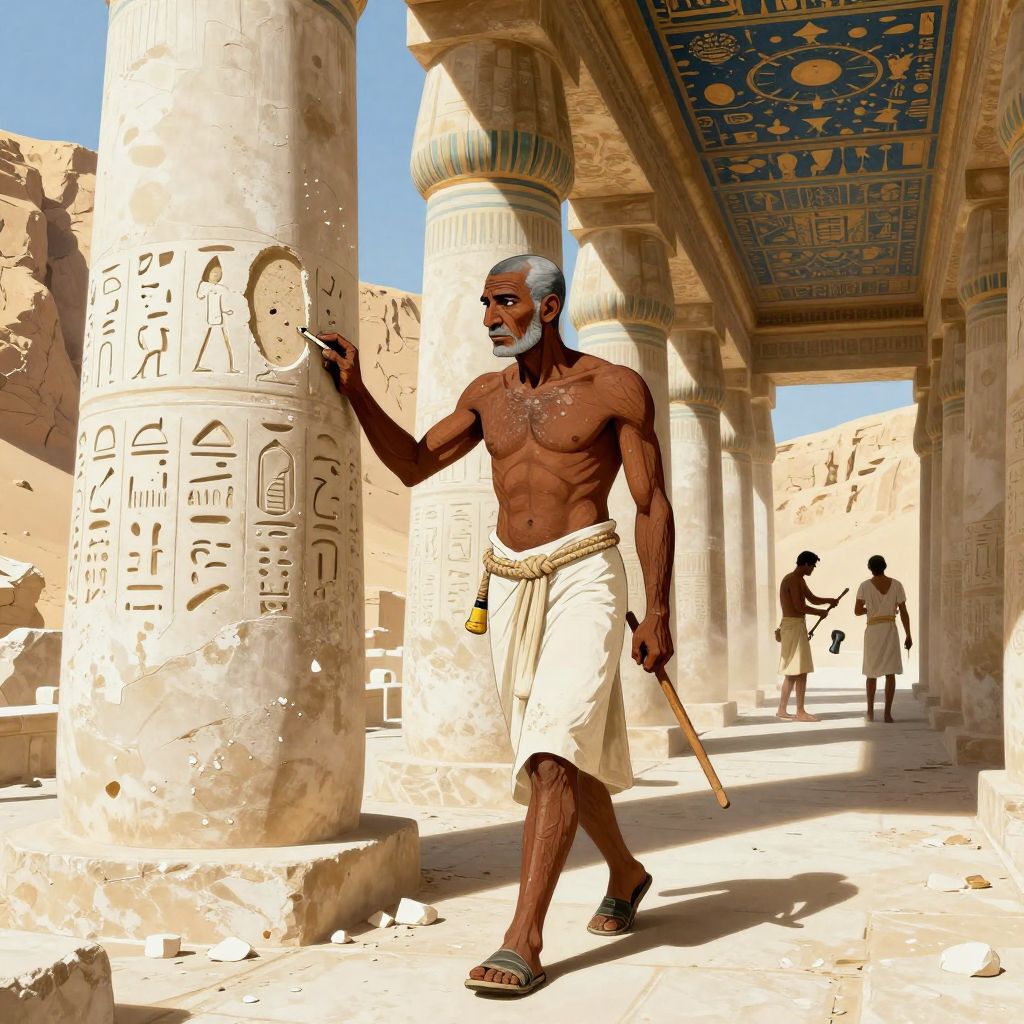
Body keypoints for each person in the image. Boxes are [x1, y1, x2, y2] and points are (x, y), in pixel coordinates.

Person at [316, 254, 673, 998]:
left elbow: (649, 503)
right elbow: (414, 464)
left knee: (549, 755)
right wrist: (357, 393)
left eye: (503, 303)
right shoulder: (485, 397)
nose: (488, 319)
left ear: (547, 308)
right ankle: (627, 872)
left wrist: (660, 607)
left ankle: (524, 938)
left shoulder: (613, 388)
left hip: (585, 570)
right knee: (560, 750)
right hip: (508, 579)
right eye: (483, 305)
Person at [776, 551, 839, 722]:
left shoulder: (798, 580)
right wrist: (819, 612)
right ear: (805, 564)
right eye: (812, 566)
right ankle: (800, 711)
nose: (813, 569)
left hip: (794, 627)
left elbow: (811, 598)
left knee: (793, 672)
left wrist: (829, 601)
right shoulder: (792, 580)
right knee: (800, 671)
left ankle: (782, 709)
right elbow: (798, 607)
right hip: (793, 626)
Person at [854, 554, 912, 723]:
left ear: (870, 568)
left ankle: (870, 712)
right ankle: (887, 714)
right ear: (885, 566)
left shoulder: (864, 586)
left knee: (871, 673)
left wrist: (871, 609)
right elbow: (904, 612)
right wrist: (908, 634)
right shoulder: (897, 585)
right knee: (890, 672)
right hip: (890, 630)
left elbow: (857, 610)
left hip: (873, 630)